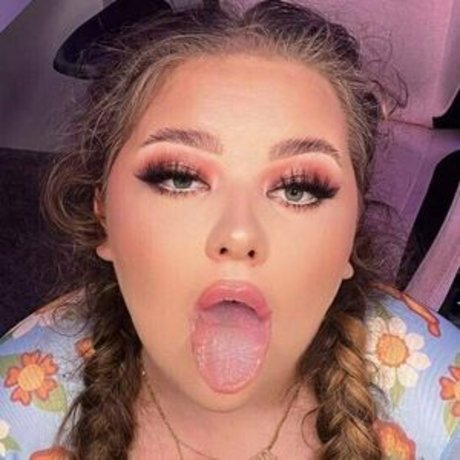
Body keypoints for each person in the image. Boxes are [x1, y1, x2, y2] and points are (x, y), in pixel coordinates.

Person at [1, 1, 459, 458]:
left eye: (298, 189)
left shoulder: (444, 400)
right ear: (102, 212)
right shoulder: (14, 408)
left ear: (351, 233)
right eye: (180, 179)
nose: (239, 234)